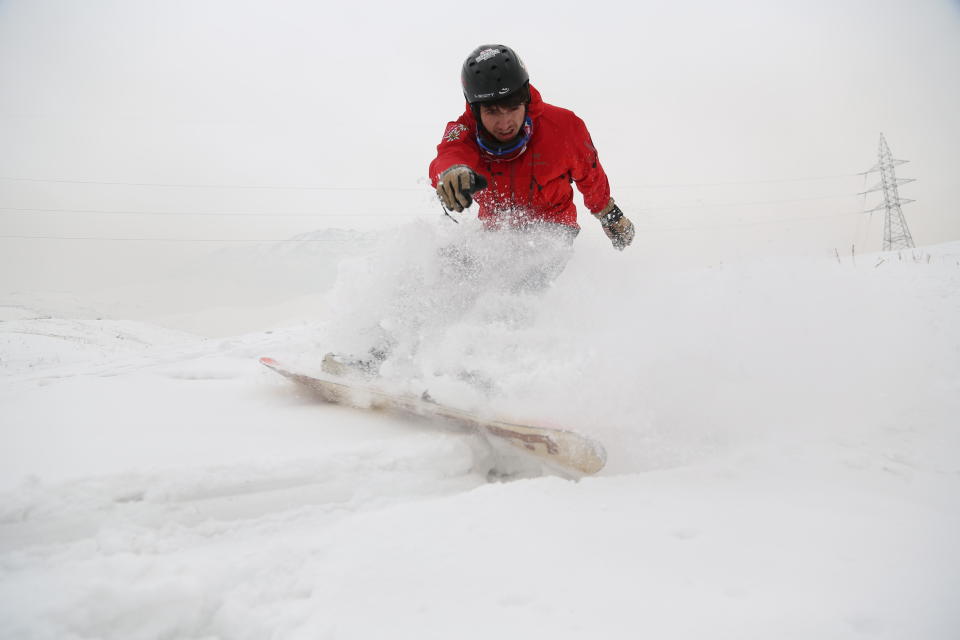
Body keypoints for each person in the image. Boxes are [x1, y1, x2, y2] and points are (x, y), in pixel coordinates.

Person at [431, 44, 635, 251]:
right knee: (452, 262)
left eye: (513, 108)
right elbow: (449, 154)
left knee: (530, 275)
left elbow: (590, 175)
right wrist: (451, 172)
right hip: (495, 234)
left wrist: (609, 214)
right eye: (492, 112)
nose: (505, 123)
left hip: (553, 229)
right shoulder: (464, 131)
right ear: (475, 109)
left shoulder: (564, 126)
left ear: (526, 99)